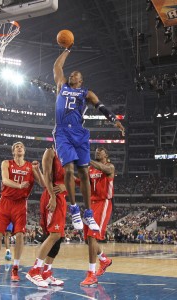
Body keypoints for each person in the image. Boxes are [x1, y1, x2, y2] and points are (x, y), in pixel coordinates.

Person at [53, 47, 125, 231]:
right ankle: (74, 209)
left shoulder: (87, 93)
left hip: (79, 132)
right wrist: (67, 49)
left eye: (76, 74)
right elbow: (57, 66)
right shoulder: (61, 85)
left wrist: (114, 120)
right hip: (62, 132)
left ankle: (88, 213)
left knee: (84, 172)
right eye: (71, 74)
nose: (72, 75)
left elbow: (101, 107)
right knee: (69, 169)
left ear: (81, 80)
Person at [0, 141, 45, 281]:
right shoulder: (6, 163)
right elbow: (5, 180)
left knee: (20, 235)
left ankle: (15, 267)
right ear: (13, 152)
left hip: (20, 204)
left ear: (24, 151)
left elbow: (43, 184)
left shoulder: (30, 167)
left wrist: (37, 169)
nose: (19, 148)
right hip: (5, 202)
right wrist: (20, 185)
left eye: (21, 147)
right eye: (16, 147)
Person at [26, 146, 66, 288]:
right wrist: (53, 196)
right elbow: (46, 180)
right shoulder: (50, 152)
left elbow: (72, 179)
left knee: (58, 238)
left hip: (62, 198)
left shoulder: (67, 155)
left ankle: (46, 273)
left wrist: (65, 186)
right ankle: (34, 270)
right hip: (52, 196)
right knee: (53, 234)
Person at [80, 147, 114, 287]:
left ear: (106, 154)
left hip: (103, 202)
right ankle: (104, 259)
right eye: (96, 150)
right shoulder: (90, 170)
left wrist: (88, 161)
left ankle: (91, 274)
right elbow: (82, 181)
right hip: (91, 204)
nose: (97, 151)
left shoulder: (109, 166)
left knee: (93, 237)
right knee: (88, 240)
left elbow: (104, 169)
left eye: (101, 150)